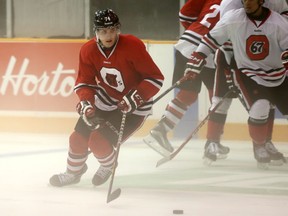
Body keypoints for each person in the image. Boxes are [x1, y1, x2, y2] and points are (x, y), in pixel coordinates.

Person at [49, 9, 164, 187]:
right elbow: (85, 82)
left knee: (98, 141)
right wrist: (86, 102)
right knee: (76, 139)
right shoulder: (88, 50)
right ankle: (73, 173)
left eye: (112, 30)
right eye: (103, 31)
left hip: (134, 107)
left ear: (118, 29)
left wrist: (137, 97)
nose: (108, 35)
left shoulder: (132, 45)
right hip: (106, 99)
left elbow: (155, 78)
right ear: (96, 32)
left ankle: (108, 165)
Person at [184, 0, 288, 169]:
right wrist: (230, 66)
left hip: (271, 62)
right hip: (235, 59)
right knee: (221, 101)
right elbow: (222, 36)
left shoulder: (277, 8)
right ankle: (212, 142)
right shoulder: (231, 6)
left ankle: (263, 143)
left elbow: (284, 23)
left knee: (268, 104)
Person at [143, 0, 230, 160]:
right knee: (219, 98)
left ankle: (160, 130)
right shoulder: (240, 4)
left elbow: (185, 13)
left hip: (187, 42)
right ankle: (213, 142)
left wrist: (196, 29)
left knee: (188, 93)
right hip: (209, 49)